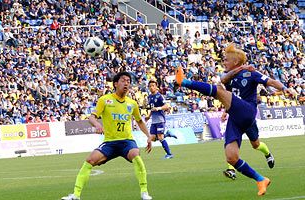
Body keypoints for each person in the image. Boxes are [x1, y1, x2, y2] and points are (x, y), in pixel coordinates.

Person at [175, 44, 294, 196]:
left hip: (247, 111)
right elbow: (223, 80)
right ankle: (260, 179)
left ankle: (184, 82)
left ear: (235, 61)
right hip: (236, 117)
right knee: (231, 157)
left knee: (218, 91)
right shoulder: (231, 76)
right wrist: (237, 70)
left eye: (226, 60)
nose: (223, 62)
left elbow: (271, 81)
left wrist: (285, 89)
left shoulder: (252, 73)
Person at [61, 72, 153, 200]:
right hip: (110, 143)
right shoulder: (105, 100)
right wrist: (97, 125)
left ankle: (144, 192)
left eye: (128, 81)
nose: (126, 83)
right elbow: (92, 117)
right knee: (90, 161)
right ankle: (76, 195)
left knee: (136, 156)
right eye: (123, 80)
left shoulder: (132, 103)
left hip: (127, 141)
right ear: (115, 84)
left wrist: (148, 136)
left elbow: (139, 121)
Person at [146, 80, 174, 159]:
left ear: (156, 87)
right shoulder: (149, 97)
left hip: (160, 119)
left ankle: (169, 154)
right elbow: (152, 108)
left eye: (153, 86)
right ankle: (167, 135)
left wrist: (159, 108)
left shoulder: (159, 96)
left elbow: (166, 106)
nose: (151, 87)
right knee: (153, 138)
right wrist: (148, 116)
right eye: (150, 86)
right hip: (154, 120)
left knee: (160, 137)